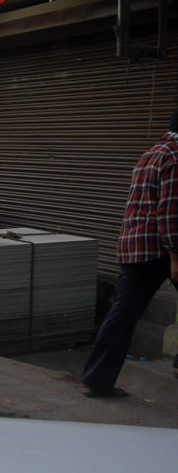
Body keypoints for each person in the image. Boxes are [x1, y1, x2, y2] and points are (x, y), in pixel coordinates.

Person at [82, 110, 178, 396]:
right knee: (123, 314)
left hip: (134, 244)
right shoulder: (174, 158)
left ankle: (97, 380)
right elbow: (171, 212)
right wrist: (175, 256)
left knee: (122, 314)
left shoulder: (151, 154)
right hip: (157, 249)